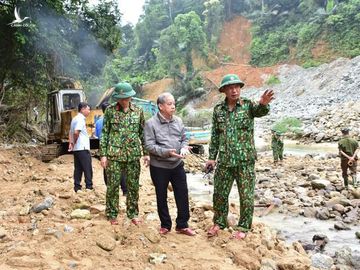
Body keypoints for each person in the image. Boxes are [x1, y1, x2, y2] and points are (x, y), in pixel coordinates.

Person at [205, 74, 274, 239]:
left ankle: (243, 227)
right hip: (225, 160)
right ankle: (219, 222)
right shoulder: (218, 110)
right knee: (220, 194)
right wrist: (212, 157)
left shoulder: (248, 106)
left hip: (245, 161)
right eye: (230, 87)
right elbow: (215, 135)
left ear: (240, 89)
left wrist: (264, 104)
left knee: (246, 195)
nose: (234, 90)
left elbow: (260, 111)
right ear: (224, 90)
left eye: (236, 87)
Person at [144, 92, 195, 236]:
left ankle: (182, 225)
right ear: (160, 106)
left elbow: (184, 137)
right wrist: (166, 152)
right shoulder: (151, 123)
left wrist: (184, 147)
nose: (173, 106)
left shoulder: (178, 120)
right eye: (169, 104)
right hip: (159, 166)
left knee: (182, 193)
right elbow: (149, 145)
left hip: (177, 164)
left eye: (174, 103)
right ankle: (165, 225)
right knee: (161, 195)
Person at [99, 82, 146, 225]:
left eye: (126, 98)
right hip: (114, 155)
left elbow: (143, 133)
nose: (124, 101)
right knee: (112, 186)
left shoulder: (138, 111)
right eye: (121, 98)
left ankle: (132, 214)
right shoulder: (110, 111)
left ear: (131, 97)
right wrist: (103, 155)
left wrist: (147, 153)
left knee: (133, 186)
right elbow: (105, 134)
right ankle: (112, 213)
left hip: (132, 155)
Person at [95, 102, 127, 195]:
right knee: (121, 169)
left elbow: (98, 136)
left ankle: (110, 189)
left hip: (104, 148)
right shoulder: (117, 119)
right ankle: (125, 190)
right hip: (116, 147)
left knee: (106, 168)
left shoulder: (98, 122)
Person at [68, 102, 93, 193]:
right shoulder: (80, 119)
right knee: (87, 167)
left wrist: (71, 143)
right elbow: (75, 132)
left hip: (77, 149)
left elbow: (70, 132)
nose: (89, 111)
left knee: (78, 168)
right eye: (88, 109)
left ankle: (77, 187)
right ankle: (89, 186)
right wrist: (74, 142)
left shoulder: (74, 118)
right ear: (82, 109)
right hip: (82, 147)